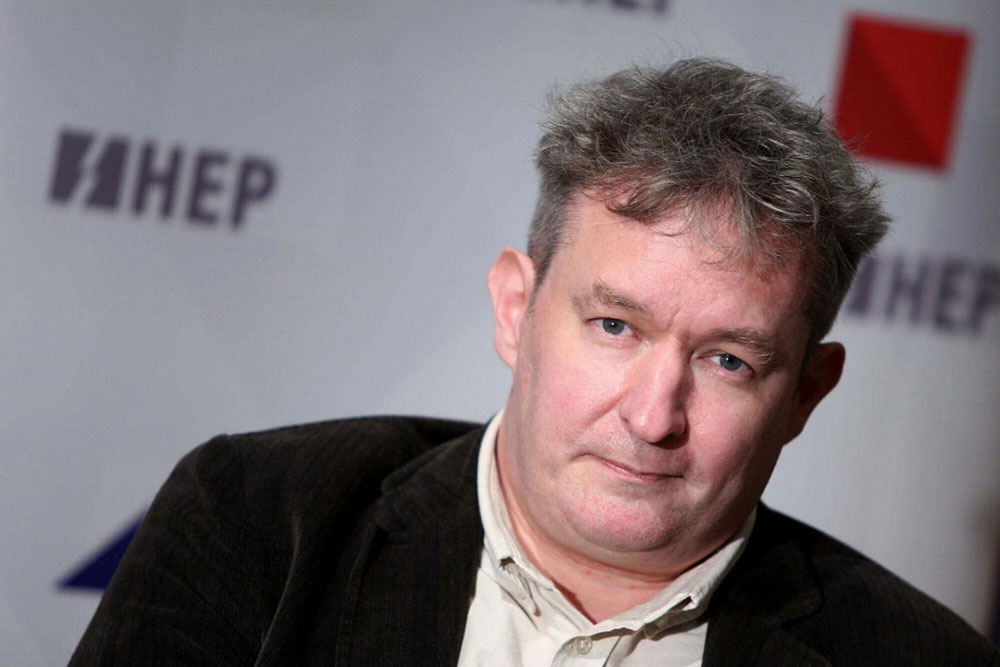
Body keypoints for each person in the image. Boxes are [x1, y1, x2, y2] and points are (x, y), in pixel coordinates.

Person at [72, 58, 998, 665]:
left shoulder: (918, 658)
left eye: (727, 361)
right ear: (516, 308)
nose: (653, 417)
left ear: (806, 394)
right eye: (615, 326)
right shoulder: (258, 519)